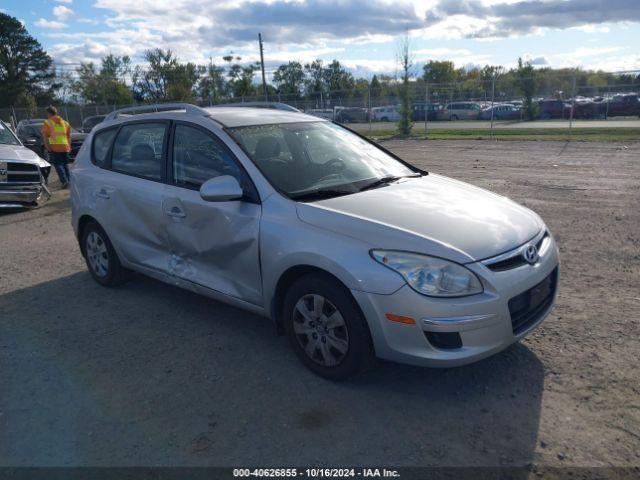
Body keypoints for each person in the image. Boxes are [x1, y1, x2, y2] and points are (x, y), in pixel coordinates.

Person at [42, 105, 72, 188]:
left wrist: (47, 146)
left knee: (58, 165)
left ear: (49, 113)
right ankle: (69, 180)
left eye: (47, 113)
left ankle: (64, 181)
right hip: (65, 147)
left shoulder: (47, 122)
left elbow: (45, 137)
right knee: (65, 165)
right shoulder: (65, 123)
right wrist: (69, 146)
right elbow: (68, 136)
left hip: (55, 147)